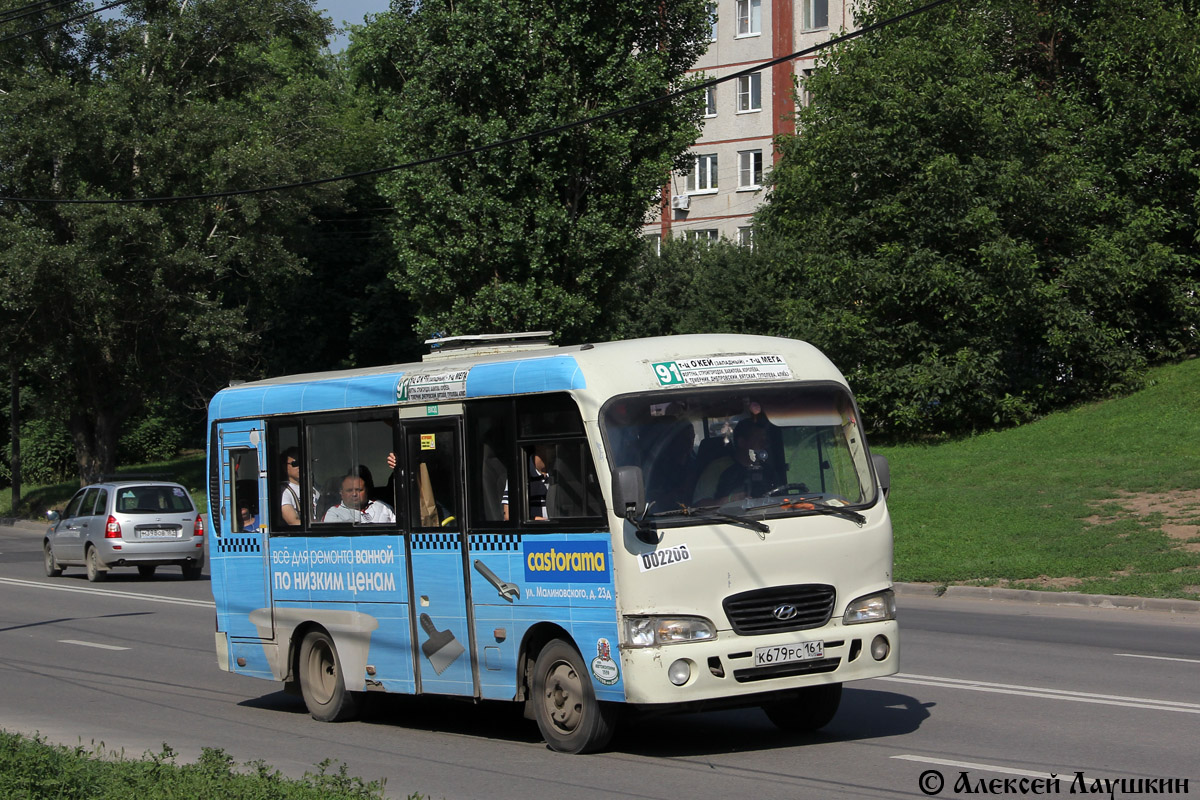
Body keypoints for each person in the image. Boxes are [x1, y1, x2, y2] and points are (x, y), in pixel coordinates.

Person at [502, 444, 553, 520]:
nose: (556, 449)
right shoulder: (519, 473)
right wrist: (541, 521)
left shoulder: (560, 472)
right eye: (552, 446)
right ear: (538, 446)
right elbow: (509, 516)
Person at [323, 472, 396, 523]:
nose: (354, 494)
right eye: (349, 490)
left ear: (366, 491)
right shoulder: (334, 513)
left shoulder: (383, 507)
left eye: (359, 490)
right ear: (341, 493)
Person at [280, 447, 319, 526]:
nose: (301, 466)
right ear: (285, 467)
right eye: (296, 463)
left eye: (304, 462)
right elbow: (293, 521)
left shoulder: (315, 487)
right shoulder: (283, 491)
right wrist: (322, 526)